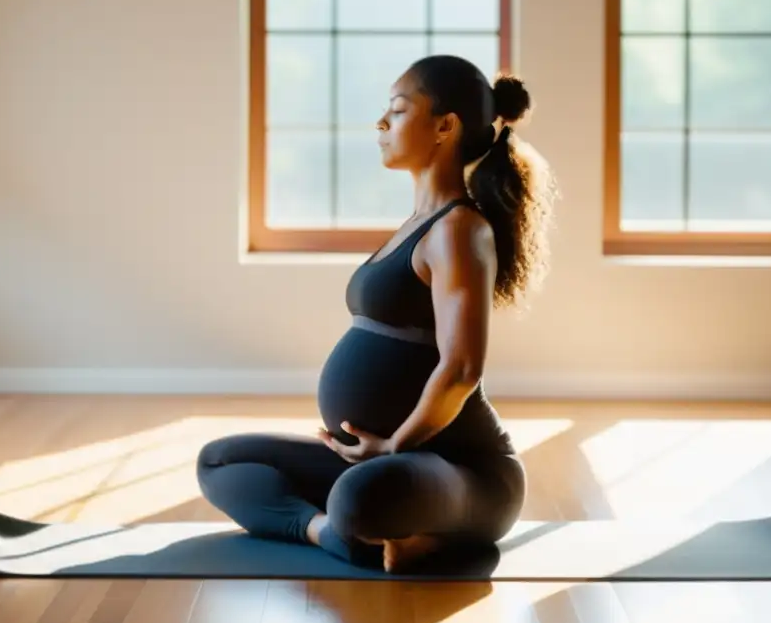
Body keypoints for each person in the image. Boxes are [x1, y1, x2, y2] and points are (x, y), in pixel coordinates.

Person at [196, 54, 558, 573]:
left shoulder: (459, 229)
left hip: (462, 472)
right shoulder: (418, 222)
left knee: (358, 498)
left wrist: (394, 444)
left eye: (398, 110)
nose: (381, 124)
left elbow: (461, 368)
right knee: (220, 460)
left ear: (444, 126)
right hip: (378, 457)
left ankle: (383, 527)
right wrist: (379, 449)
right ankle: (331, 534)